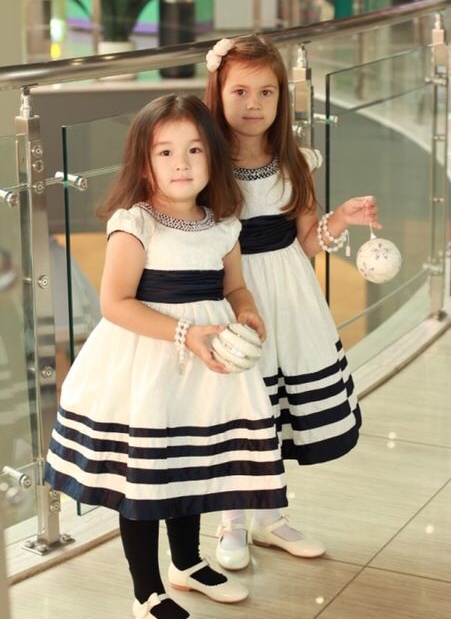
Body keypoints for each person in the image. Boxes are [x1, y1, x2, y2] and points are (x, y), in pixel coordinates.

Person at [44, 93, 288, 619]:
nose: (182, 163)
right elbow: (115, 303)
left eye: (195, 150)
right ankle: (146, 591)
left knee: (189, 466)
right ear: (143, 163)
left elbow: (235, 287)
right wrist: (185, 333)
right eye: (165, 152)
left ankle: (188, 563)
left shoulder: (223, 225)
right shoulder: (135, 224)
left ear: (213, 158)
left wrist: (247, 311)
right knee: (148, 475)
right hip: (147, 367)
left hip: (205, 368)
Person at [204, 34, 382, 571]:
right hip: (233, 295)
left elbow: (305, 242)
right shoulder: (206, 163)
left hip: (290, 296)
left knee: (277, 409)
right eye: (240, 91)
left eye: (266, 92)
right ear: (217, 91)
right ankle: (231, 522)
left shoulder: (294, 161)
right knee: (241, 406)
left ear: (281, 97)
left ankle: (269, 517)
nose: (253, 104)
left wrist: (341, 219)